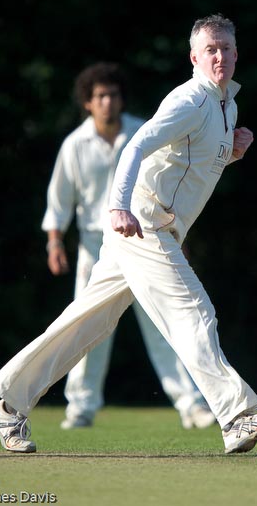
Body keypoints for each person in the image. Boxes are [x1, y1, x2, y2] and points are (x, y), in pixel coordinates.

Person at [0, 14, 257, 455]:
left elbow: (190, 166)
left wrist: (232, 152)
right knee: (193, 311)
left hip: (153, 230)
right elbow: (136, 145)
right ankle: (237, 414)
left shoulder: (226, 107)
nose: (219, 56)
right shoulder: (190, 99)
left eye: (225, 49)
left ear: (236, 54)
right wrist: (119, 206)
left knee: (86, 323)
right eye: (210, 50)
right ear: (194, 58)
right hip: (144, 225)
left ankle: (8, 407)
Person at [41, 61, 215, 430]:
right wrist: (54, 242)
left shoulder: (141, 131)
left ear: (121, 99)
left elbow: (168, 183)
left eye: (113, 95)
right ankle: (81, 406)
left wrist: (176, 236)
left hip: (146, 236)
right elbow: (60, 200)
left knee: (164, 321)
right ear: (88, 102)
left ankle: (191, 404)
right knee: (88, 324)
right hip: (95, 245)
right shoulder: (75, 145)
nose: (108, 102)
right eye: (100, 96)